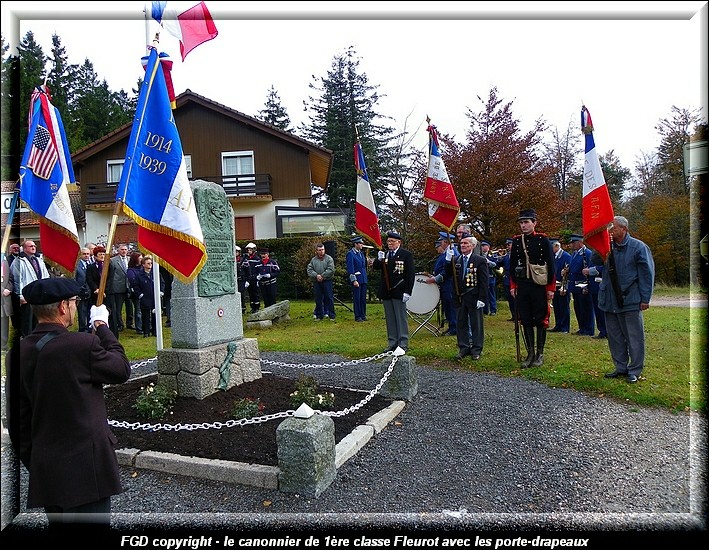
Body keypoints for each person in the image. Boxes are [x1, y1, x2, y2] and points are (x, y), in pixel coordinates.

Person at [5, 277, 131, 533]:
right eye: (73, 302)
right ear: (63, 307)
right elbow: (121, 369)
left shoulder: (17, 353)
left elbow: (17, 420)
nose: (74, 307)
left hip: (48, 469)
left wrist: (37, 460)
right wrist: (102, 325)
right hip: (87, 470)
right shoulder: (81, 345)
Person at [600, 216, 655, 384]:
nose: (610, 231)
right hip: (610, 300)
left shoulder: (638, 247)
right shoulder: (607, 248)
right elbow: (597, 263)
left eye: (613, 228)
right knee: (615, 336)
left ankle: (635, 370)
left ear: (624, 229)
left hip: (630, 300)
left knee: (634, 337)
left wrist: (645, 298)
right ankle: (620, 367)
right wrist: (600, 247)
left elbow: (647, 275)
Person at [509, 208, 555, 368]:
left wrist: (551, 288)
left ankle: (540, 353)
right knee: (526, 318)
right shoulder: (516, 241)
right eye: (521, 223)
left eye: (526, 222)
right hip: (523, 284)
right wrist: (513, 285)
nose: (523, 225)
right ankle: (530, 353)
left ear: (534, 223)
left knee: (541, 319)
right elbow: (513, 264)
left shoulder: (543, 240)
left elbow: (551, 264)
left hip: (539, 285)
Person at [445, 235, 488, 359]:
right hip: (460, 296)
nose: (463, 245)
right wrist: (448, 261)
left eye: (466, 243)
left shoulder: (479, 260)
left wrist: (482, 298)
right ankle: (463, 347)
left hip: (474, 295)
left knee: (476, 323)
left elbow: (483, 281)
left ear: (473, 246)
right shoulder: (457, 259)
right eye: (461, 243)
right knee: (461, 323)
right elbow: (449, 274)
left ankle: (476, 349)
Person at [372, 231, 415, 352]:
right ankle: (392, 342)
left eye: (392, 241)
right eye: (388, 241)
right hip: (386, 291)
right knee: (390, 318)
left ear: (399, 242)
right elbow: (375, 267)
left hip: (399, 290)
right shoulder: (385, 254)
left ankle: (403, 342)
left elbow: (410, 275)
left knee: (400, 318)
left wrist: (408, 291)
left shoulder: (406, 255)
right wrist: (378, 260)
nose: (389, 244)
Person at [12, 240, 51, 337]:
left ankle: (37, 338)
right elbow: (17, 280)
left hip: (39, 295)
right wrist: (21, 296)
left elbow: (45, 276)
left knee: (38, 320)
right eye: (30, 246)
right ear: (24, 248)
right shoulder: (19, 261)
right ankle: (27, 340)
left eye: (34, 246)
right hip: (27, 296)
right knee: (27, 321)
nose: (33, 247)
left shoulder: (39, 260)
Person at [426, 235, 457, 336]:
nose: (440, 245)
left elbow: (448, 271)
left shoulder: (452, 252)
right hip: (445, 285)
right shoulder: (446, 253)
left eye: (441, 242)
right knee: (447, 307)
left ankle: (454, 328)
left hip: (449, 284)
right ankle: (451, 326)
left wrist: (435, 279)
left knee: (451, 307)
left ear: (445, 242)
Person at [85, 246, 119, 337]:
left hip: (108, 294)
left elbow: (110, 279)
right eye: (100, 254)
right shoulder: (91, 267)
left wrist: (104, 291)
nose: (102, 256)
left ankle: (112, 334)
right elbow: (89, 279)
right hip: (95, 295)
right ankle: (96, 333)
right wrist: (96, 289)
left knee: (110, 313)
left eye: (104, 254)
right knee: (96, 313)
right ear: (95, 256)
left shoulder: (109, 266)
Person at [567, 234, 595, 336]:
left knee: (586, 307)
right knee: (578, 307)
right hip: (575, 284)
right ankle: (582, 327)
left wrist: (587, 286)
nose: (571, 245)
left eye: (573, 243)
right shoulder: (575, 254)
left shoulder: (587, 254)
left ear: (579, 243)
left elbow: (588, 270)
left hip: (582, 284)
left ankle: (588, 328)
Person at [132, 255, 164, 338]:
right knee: (145, 315)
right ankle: (146, 332)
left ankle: (155, 331)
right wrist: (140, 295)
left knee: (155, 315)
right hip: (145, 297)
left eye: (151, 263)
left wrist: (161, 292)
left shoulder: (156, 273)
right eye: (148, 263)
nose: (150, 265)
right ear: (143, 264)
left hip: (154, 297)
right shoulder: (139, 275)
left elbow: (162, 283)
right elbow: (135, 286)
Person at [307, 242, 336, 321]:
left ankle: (332, 315)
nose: (321, 251)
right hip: (317, 282)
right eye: (319, 250)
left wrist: (322, 276)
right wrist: (316, 275)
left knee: (329, 298)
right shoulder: (313, 260)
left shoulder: (329, 258)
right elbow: (309, 270)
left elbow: (331, 269)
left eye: (323, 249)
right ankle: (319, 315)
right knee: (318, 299)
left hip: (327, 281)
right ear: (316, 251)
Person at [583, 250, 607, 339]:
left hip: (600, 285)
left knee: (601, 311)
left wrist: (590, 271)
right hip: (593, 285)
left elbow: (603, 267)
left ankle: (605, 331)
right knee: (597, 310)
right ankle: (602, 330)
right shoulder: (594, 253)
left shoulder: (603, 252)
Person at [346, 235, 370, 322]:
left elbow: (363, 266)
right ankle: (358, 316)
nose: (362, 245)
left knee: (363, 298)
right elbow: (350, 268)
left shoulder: (361, 254)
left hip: (363, 279)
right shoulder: (350, 254)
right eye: (360, 243)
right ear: (355, 244)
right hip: (357, 279)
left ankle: (363, 315)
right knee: (357, 298)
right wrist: (354, 280)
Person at [108, 243, 131, 332]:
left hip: (129, 287)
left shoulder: (130, 259)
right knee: (118, 308)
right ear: (118, 251)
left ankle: (130, 323)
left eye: (125, 249)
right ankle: (119, 324)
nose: (124, 251)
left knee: (130, 307)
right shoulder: (112, 261)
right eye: (122, 249)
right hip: (118, 287)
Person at [550, 240, 572, 333]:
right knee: (557, 305)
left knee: (564, 306)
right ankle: (558, 324)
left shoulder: (566, 256)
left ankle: (565, 327)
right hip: (556, 284)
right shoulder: (554, 256)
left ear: (555, 246)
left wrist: (565, 286)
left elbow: (567, 271)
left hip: (562, 284)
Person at [73, 247, 93, 333]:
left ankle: (90, 327)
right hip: (80, 292)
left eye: (87, 254)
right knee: (82, 312)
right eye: (84, 254)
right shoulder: (76, 265)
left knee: (90, 310)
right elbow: (74, 279)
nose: (86, 256)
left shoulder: (91, 263)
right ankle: (82, 328)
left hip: (91, 292)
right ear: (80, 255)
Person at [126, 252, 143, 334]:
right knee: (138, 310)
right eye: (140, 258)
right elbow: (132, 280)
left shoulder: (142, 268)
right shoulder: (131, 270)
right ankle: (139, 327)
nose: (141, 260)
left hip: (145, 292)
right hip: (136, 293)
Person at [241, 243, 261, 313]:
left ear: (254, 250)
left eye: (250, 250)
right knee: (250, 293)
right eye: (248, 250)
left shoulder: (257, 259)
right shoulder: (246, 258)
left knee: (255, 293)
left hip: (255, 278)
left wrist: (258, 278)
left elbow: (259, 269)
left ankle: (257, 307)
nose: (249, 251)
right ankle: (252, 307)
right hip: (249, 278)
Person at [500, 238, 516, 321]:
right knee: (509, 298)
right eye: (507, 245)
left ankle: (518, 315)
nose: (508, 247)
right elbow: (499, 263)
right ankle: (513, 315)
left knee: (515, 298)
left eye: (509, 245)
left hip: (514, 278)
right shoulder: (506, 256)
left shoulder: (516, 255)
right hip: (507, 279)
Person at [480, 240, 499, 316]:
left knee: (491, 293)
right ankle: (485, 310)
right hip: (483, 277)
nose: (483, 247)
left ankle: (493, 310)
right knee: (484, 293)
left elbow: (495, 264)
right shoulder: (480, 255)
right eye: (482, 246)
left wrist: (487, 261)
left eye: (484, 246)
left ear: (488, 247)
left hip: (491, 276)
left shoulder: (492, 255)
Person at [1, 254, 13, 350]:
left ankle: (3, 345)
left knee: (4, 322)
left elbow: (10, 278)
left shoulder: (4, 261)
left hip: (5, 299)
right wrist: (2, 290)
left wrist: (8, 288)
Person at [235, 246, 246, 315]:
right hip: (235, 280)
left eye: (237, 252)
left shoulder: (243, 260)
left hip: (241, 280)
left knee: (242, 295)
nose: (235, 253)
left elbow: (247, 271)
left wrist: (247, 280)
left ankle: (243, 308)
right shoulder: (233, 259)